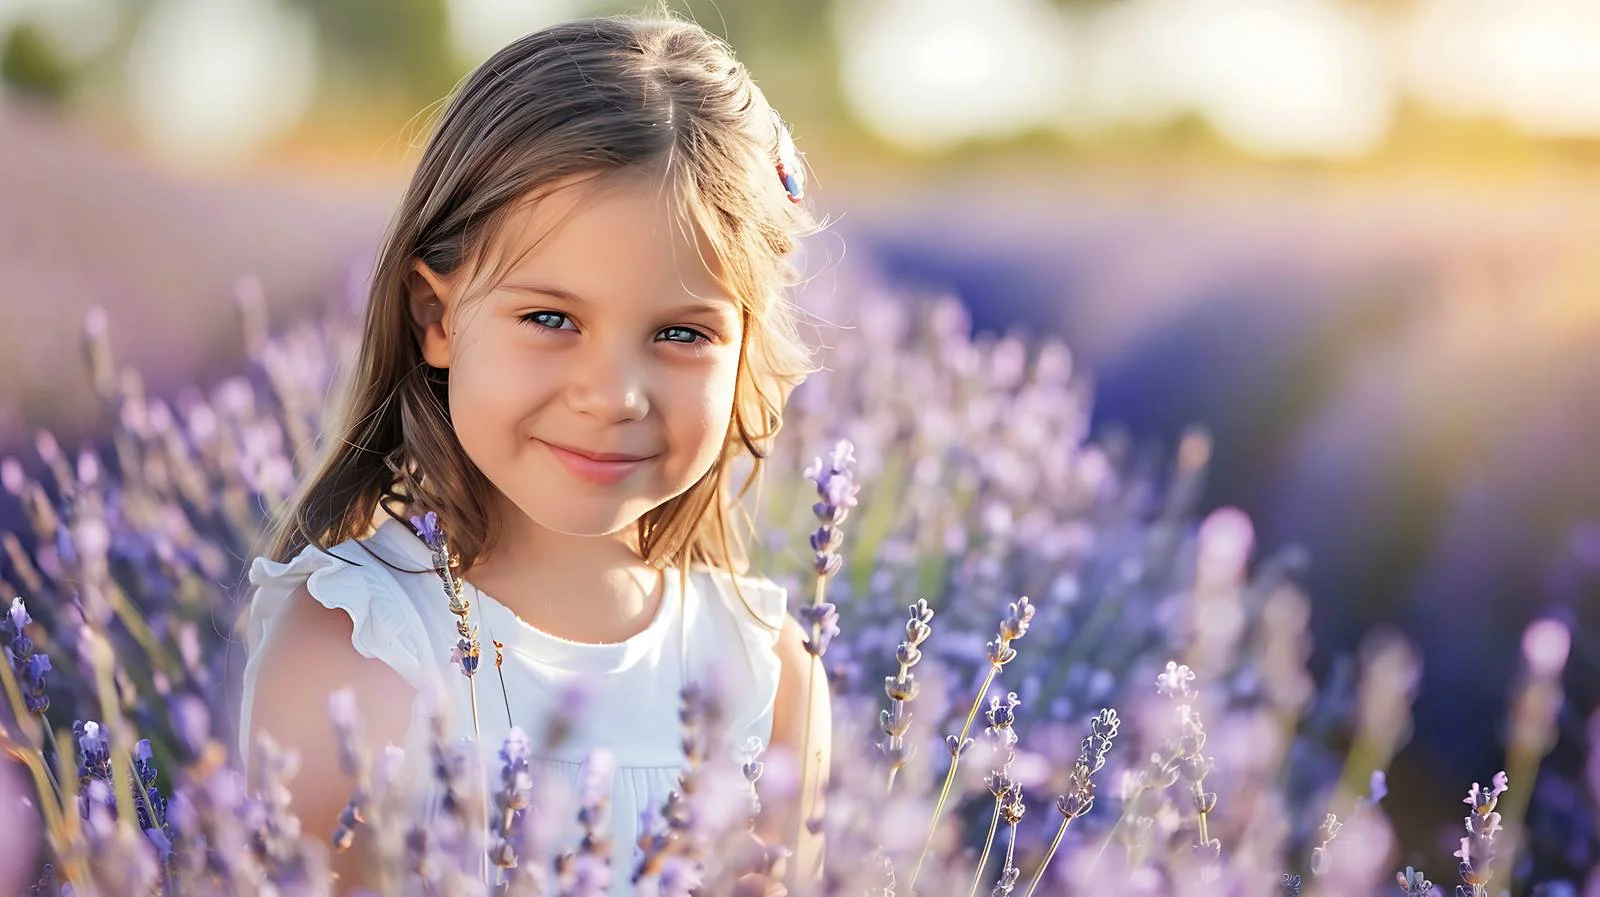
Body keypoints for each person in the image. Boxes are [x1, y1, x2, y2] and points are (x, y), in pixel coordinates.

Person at [238, 14, 829, 895]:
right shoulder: (358, 644)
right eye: (551, 319)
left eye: (679, 332)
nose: (612, 394)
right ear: (438, 318)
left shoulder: (767, 668)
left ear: (745, 353)